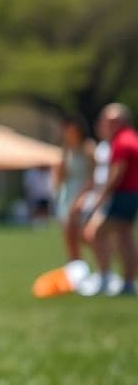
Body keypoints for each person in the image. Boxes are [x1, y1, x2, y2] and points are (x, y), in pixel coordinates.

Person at [83, 103, 138, 296]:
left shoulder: (121, 142)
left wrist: (101, 198)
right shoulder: (131, 139)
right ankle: (128, 283)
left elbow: (116, 175)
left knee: (94, 232)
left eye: (107, 120)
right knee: (124, 238)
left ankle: (105, 278)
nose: (103, 124)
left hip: (122, 195)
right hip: (131, 195)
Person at [54, 114, 95, 263]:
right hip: (67, 193)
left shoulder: (88, 148)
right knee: (69, 235)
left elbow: (94, 176)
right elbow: (62, 177)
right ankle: (76, 268)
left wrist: (81, 198)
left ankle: (104, 266)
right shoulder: (66, 149)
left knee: (85, 235)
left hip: (84, 193)